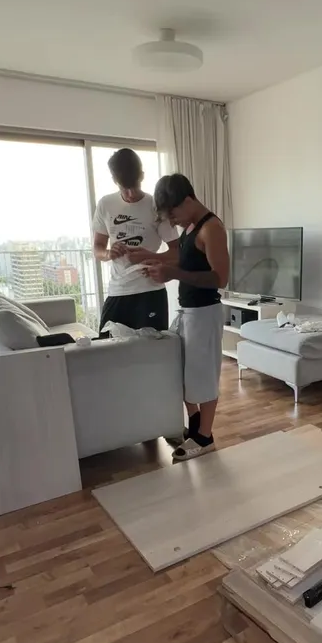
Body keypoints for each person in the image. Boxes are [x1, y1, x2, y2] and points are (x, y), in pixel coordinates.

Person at [128, 173, 229, 461]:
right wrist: (152, 258)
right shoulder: (191, 227)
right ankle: (195, 426)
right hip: (189, 312)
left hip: (205, 313)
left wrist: (172, 273)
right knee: (185, 374)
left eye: (173, 215)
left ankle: (205, 438)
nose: (172, 222)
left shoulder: (212, 228)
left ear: (187, 201)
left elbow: (220, 278)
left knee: (204, 378)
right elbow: (182, 260)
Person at [91, 149, 179, 332]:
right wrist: (108, 253)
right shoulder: (105, 204)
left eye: (135, 186)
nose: (131, 194)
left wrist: (151, 257)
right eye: (125, 188)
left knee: (152, 348)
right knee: (105, 345)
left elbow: (177, 251)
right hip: (118, 290)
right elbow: (97, 248)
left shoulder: (155, 206)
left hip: (150, 291)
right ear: (115, 181)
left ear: (142, 176)